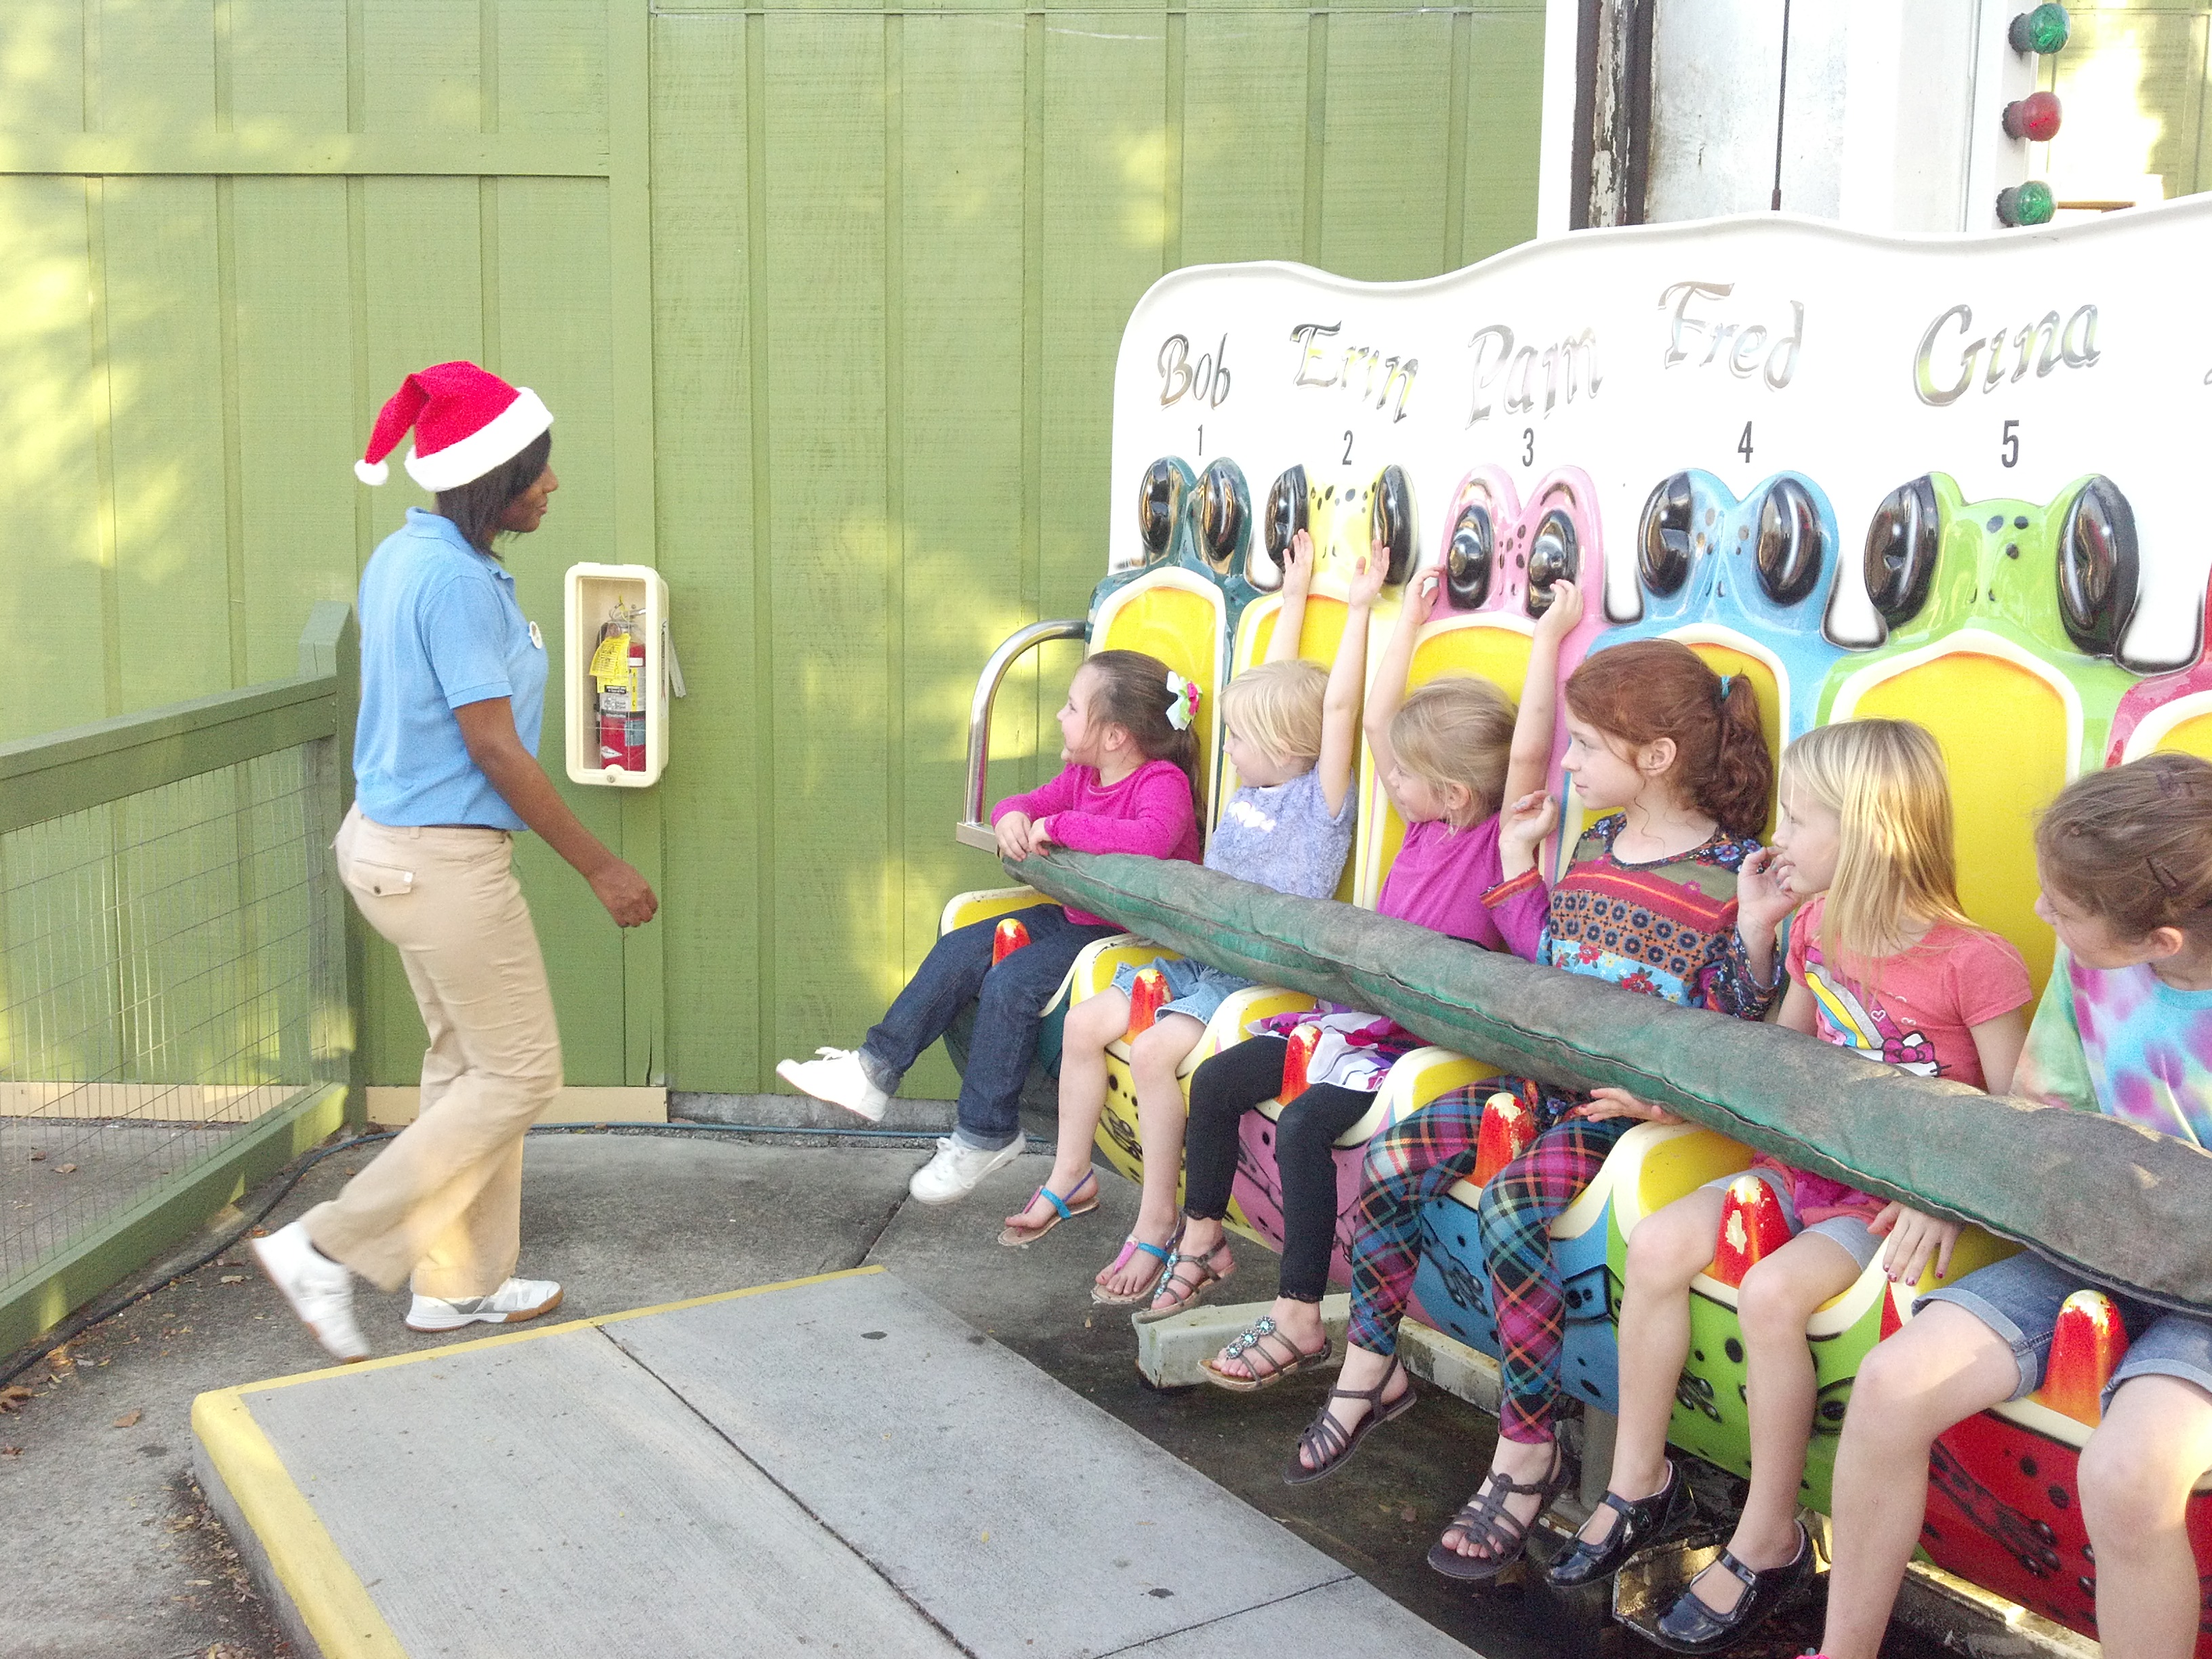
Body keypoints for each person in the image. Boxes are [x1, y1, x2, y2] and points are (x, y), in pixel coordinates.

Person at [1557, 719, 2029, 1652]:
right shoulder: (1816, 927)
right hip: (1801, 1168)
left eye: (1803, 820)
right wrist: (1759, 945)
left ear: (1871, 833)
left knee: (1772, 1294)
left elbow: (2018, 1119)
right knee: (1658, 1244)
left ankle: (1769, 1532)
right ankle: (1639, 1480)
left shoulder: (1977, 963)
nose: (1781, 837)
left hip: (1886, 1202)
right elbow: (1783, 1061)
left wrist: (1944, 1194)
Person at [1326, 639, 1783, 1573]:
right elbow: (1552, 961)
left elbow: (1733, 1016)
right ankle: (1370, 1365)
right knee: (1392, 1158)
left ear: (1656, 756)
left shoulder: (1730, 871)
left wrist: (1755, 939)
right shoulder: (1596, 842)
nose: (1567, 763)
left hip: (1622, 1112)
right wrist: (1514, 858)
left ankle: (1526, 1448)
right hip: (1541, 1080)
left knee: (1511, 1207)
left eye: (1587, 746)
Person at [253, 361, 659, 1363]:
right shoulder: (453, 581)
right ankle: (324, 1245)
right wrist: (601, 867)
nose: (551, 484)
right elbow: (494, 749)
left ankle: (457, 1287)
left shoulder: (413, 554)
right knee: (520, 1075)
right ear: (490, 478)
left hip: (391, 849)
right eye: (536, 470)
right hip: (440, 863)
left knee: (469, 1069)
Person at [1139, 561, 1583, 1389]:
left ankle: (1300, 1313)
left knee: (1306, 1124)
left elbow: (1528, 750)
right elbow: (1376, 719)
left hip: (1420, 1043)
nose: (1388, 779)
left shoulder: (1491, 843)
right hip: (1363, 1018)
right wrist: (1404, 618)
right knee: (1220, 1081)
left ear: (1453, 792)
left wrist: (1550, 638)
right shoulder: (1420, 827)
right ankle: (1201, 1236)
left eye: (1402, 774)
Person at [1811, 753, 2212, 1659]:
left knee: (2131, 1475)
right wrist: (1964, 1190)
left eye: (2062, 910)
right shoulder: (2089, 962)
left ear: (2160, 941)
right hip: (2091, 1240)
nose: (2040, 915)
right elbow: (2040, 1109)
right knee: (1892, 1383)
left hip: (2205, 1293)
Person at [1001, 531, 1359, 1305]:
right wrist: (1294, 595)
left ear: (1284, 745)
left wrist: (1359, 610)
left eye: (1241, 736)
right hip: (1201, 955)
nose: (1226, 748)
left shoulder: (1319, 806)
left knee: (1156, 1051)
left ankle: (1159, 1220)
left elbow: (1334, 708)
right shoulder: (1251, 790)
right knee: (1085, 1025)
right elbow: (1274, 685)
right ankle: (1072, 1174)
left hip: (1257, 975)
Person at [777, 650, 1200, 1204]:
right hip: (1077, 913)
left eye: (1072, 707)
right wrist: (1012, 817)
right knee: (961, 949)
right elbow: (1024, 802)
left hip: (1132, 935)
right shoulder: (1083, 775)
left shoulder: (1162, 782)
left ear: (1116, 735)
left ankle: (986, 1133)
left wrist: (1061, 827)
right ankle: (873, 1071)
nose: (1060, 715)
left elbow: (1150, 839)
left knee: (1012, 980)